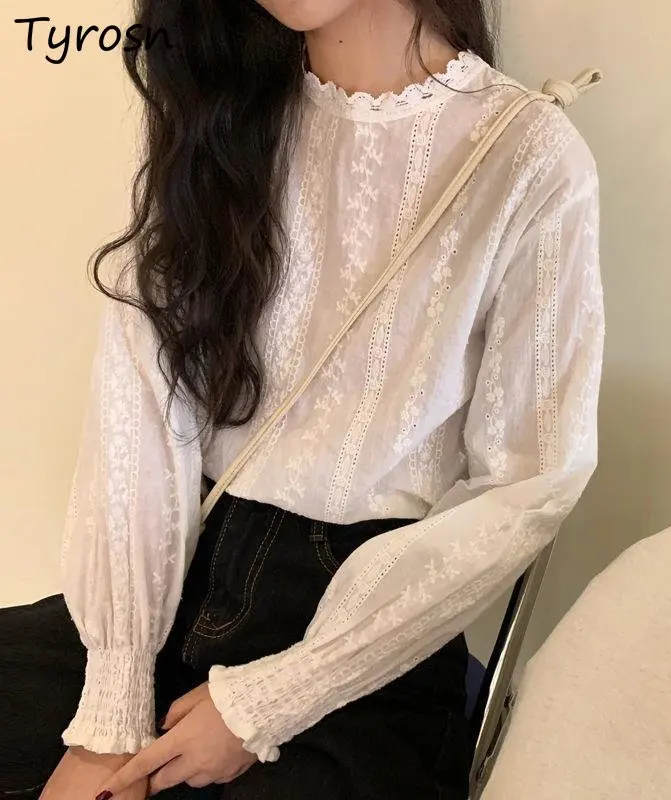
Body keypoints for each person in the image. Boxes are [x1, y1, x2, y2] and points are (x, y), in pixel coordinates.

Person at [0, 1, 604, 798]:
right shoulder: (217, 111)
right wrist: (111, 715)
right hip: (167, 586)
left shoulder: (528, 155)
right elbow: (140, 407)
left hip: (366, 636)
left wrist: (270, 701)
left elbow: (528, 481)